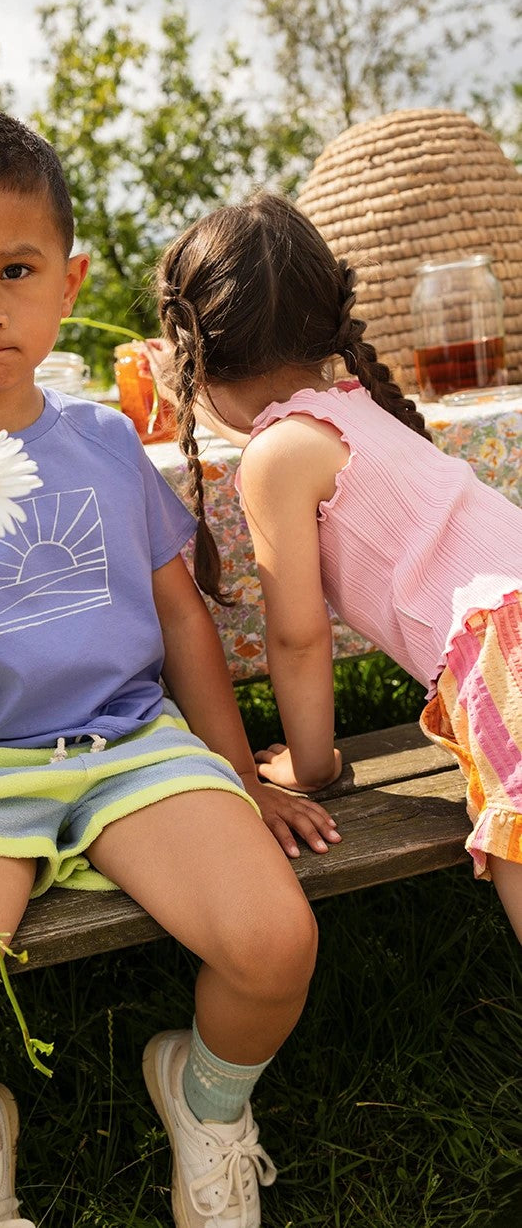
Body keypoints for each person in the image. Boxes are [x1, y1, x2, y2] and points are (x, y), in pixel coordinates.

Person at [0, 108, 320, 1228]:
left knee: (277, 943)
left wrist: (239, 775)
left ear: (69, 282)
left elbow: (182, 624)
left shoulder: (103, 446)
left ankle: (207, 1098)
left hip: (129, 747)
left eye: (16, 269)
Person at [150, 188, 522, 947]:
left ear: (196, 353)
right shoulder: (357, 406)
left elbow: (297, 639)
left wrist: (313, 770)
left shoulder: (279, 453)